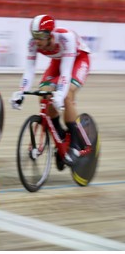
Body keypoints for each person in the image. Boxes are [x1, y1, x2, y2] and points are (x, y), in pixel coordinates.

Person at [10, 14, 91, 166]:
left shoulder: (65, 38)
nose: (36, 40)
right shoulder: (33, 43)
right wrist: (21, 93)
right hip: (58, 61)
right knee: (44, 95)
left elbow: (66, 72)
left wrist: (60, 94)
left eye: (40, 36)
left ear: (50, 34)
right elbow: (29, 70)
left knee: (66, 95)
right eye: (34, 36)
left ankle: (73, 144)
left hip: (79, 60)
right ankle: (60, 135)